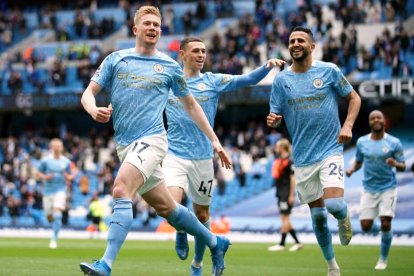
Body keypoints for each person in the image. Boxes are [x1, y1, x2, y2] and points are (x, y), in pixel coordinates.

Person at [79, 6, 231, 276]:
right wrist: (93, 110)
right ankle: (215, 242)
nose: (152, 28)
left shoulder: (171, 67)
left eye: (157, 25)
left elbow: (192, 106)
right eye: (147, 24)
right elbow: (88, 94)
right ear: (135, 29)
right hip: (125, 145)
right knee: (168, 208)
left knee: (121, 189)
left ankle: (106, 264)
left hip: (153, 140)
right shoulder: (116, 59)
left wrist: (216, 142)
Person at [163, 36, 285, 276]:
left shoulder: (213, 81)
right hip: (174, 155)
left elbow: (247, 80)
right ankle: (180, 231)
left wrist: (266, 66)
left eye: (204, 51)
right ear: (182, 55)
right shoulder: (168, 82)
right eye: (196, 51)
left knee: (202, 215)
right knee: (169, 206)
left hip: (202, 159)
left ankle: (197, 265)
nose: (201, 55)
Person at [267, 26, 361, 276]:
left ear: (311, 46)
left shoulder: (328, 71)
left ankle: (344, 217)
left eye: (301, 40)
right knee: (318, 218)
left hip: (330, 149)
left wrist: (348, 125)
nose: (295, 44)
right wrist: (274, 121)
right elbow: (275, 115)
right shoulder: (281, 80)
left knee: (334, 206)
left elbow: (355, 99)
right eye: (291, 41)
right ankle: (332, 267)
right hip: (304, 157)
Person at [345, 110, 406, 270]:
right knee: (365, 226)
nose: (376, 120)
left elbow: (403, 166)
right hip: (369, 189)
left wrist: (396, 164)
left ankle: (383, 259)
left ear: (384, 121)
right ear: (370, 122)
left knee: (386, 221)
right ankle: (386, 232)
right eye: (373, 118)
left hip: (388, 188)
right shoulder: (362, 142)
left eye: (379, 117)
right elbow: (358, 162)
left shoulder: (394, 142)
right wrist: (351, 169)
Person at [268, 138, 303, 252]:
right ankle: (297, 242)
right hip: (280, 193)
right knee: (285, 218)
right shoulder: (279, 161)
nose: (276, 148)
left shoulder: (289, 162)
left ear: (283, 147)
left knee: (285, 218)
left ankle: (282, 244)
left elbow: (293, 179)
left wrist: (291, 195)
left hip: (286, 194)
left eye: (278, 146)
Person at [36, 138, 72, 249]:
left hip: (60, 190)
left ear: (61, 148)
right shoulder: (46, 161)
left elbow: (70, 175)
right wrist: (45, 177)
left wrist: (68, 177)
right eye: (54, 147)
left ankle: (54, 239)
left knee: (58, 214)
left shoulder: (66, 161)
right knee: (49, 217)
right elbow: (38, 173)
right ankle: (53, 224)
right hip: (47, 192)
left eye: (59, 146)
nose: (56, 149)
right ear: (51, 148)